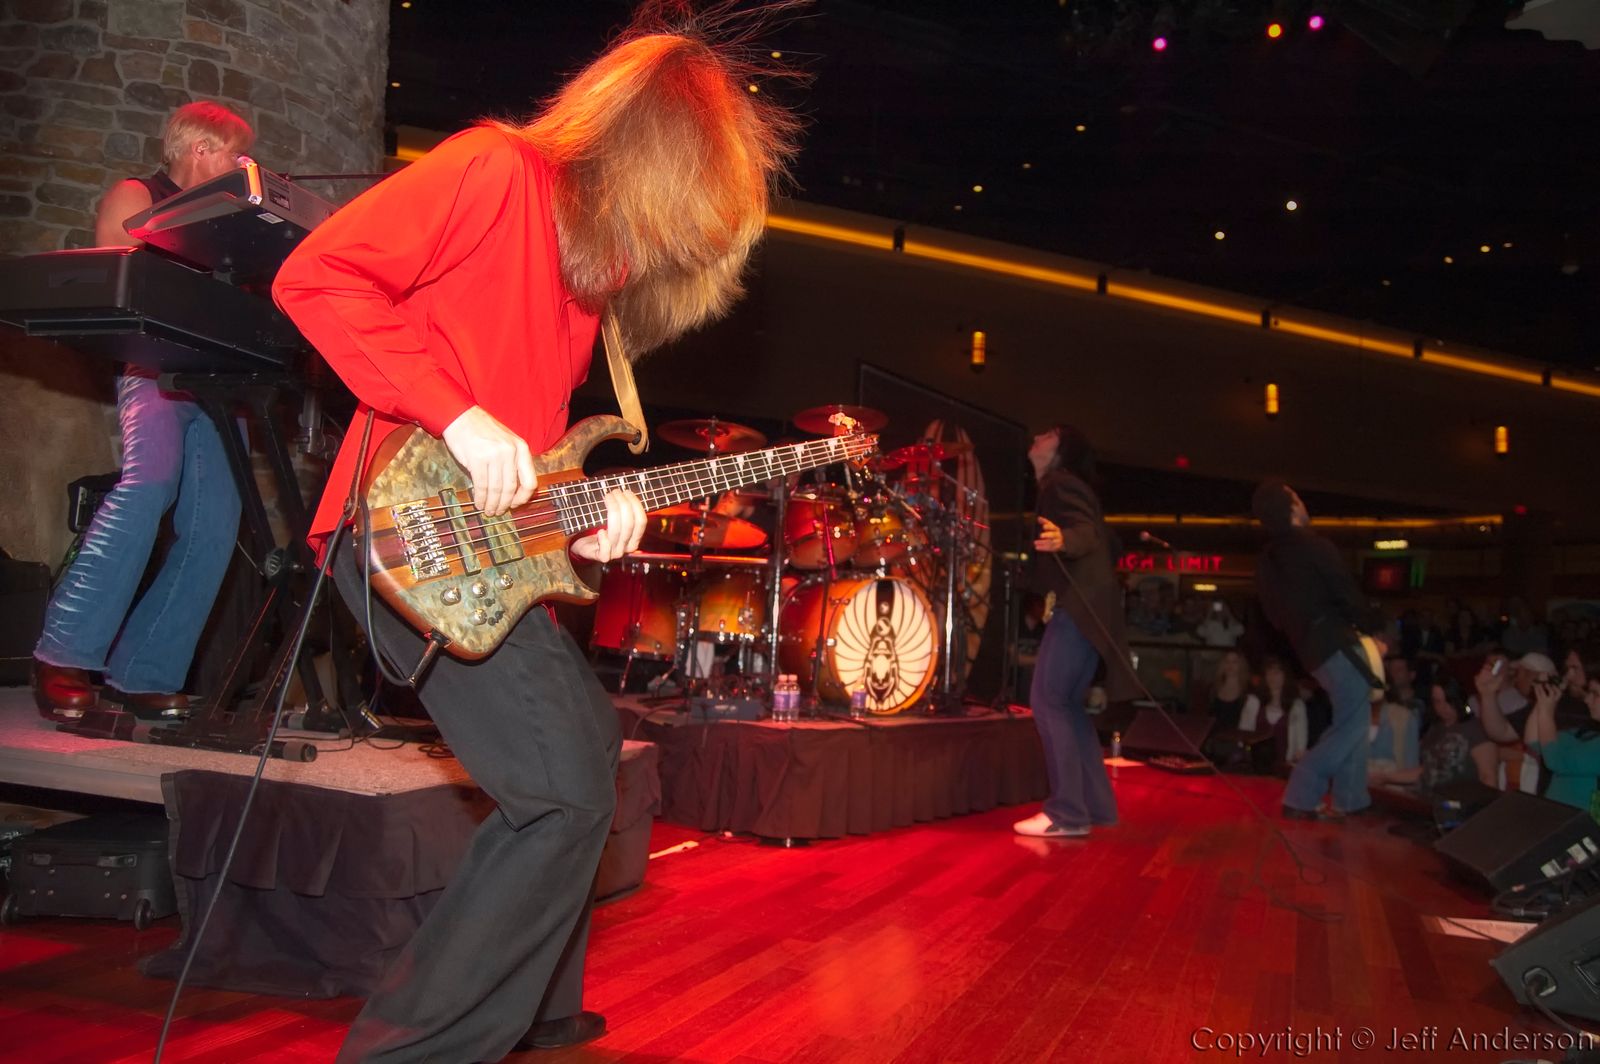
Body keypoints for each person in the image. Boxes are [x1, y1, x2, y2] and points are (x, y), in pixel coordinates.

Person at [272, 9, 798, 1062]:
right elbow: (316, 276)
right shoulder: (494, 169)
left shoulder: (584, 281)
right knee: (559, 791)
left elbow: (530, 458)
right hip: (398, 533)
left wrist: (586, 514)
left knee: (587, 750)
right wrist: (454, 415)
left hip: (487, 550)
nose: (661, 250)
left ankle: (540, 1008)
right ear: (646, 158)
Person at [32, 101, 254, 721]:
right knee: (148, 484)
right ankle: (63, 652)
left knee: (217, 523)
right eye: (235, 153)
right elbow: (121, 283)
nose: (243, 165)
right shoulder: (138, 194)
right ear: (201, 149)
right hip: (154, 366)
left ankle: (144, 671)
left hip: (220, 376)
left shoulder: (231, 217)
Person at [1015, 424, 1137, 839]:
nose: (1038, 436)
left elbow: (1086, 531)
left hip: (1081, 608)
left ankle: (1067, 813)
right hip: (1088, 607)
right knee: (1066, 704)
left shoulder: (1061, 483)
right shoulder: (1060, 486)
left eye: (1049, 433)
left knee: (1048, 700)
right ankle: (1096, 806)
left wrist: (1065, 539)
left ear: (1062, 449)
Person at [1251, 479, 1386, 820]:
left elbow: (1274, 617)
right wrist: (1372, 629)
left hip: (1309, 650)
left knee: (1350, 718)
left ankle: (1351, 800)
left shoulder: (1268, 560)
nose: (1303, 503)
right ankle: (1302, 791)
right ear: (1291, 509)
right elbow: (1346, 592)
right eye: (1297, 498)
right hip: (1337, 642)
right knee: (1352, 724)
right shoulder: (1314, 547)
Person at [1526, 675, 1600, 815]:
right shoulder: (1585, 733)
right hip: (1559, 819)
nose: (1587, 699)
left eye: (1595, 694)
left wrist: (1546, 711)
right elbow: (1534, 741)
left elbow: (1555, 760)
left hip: (1585, 825)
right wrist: (1543, 700)